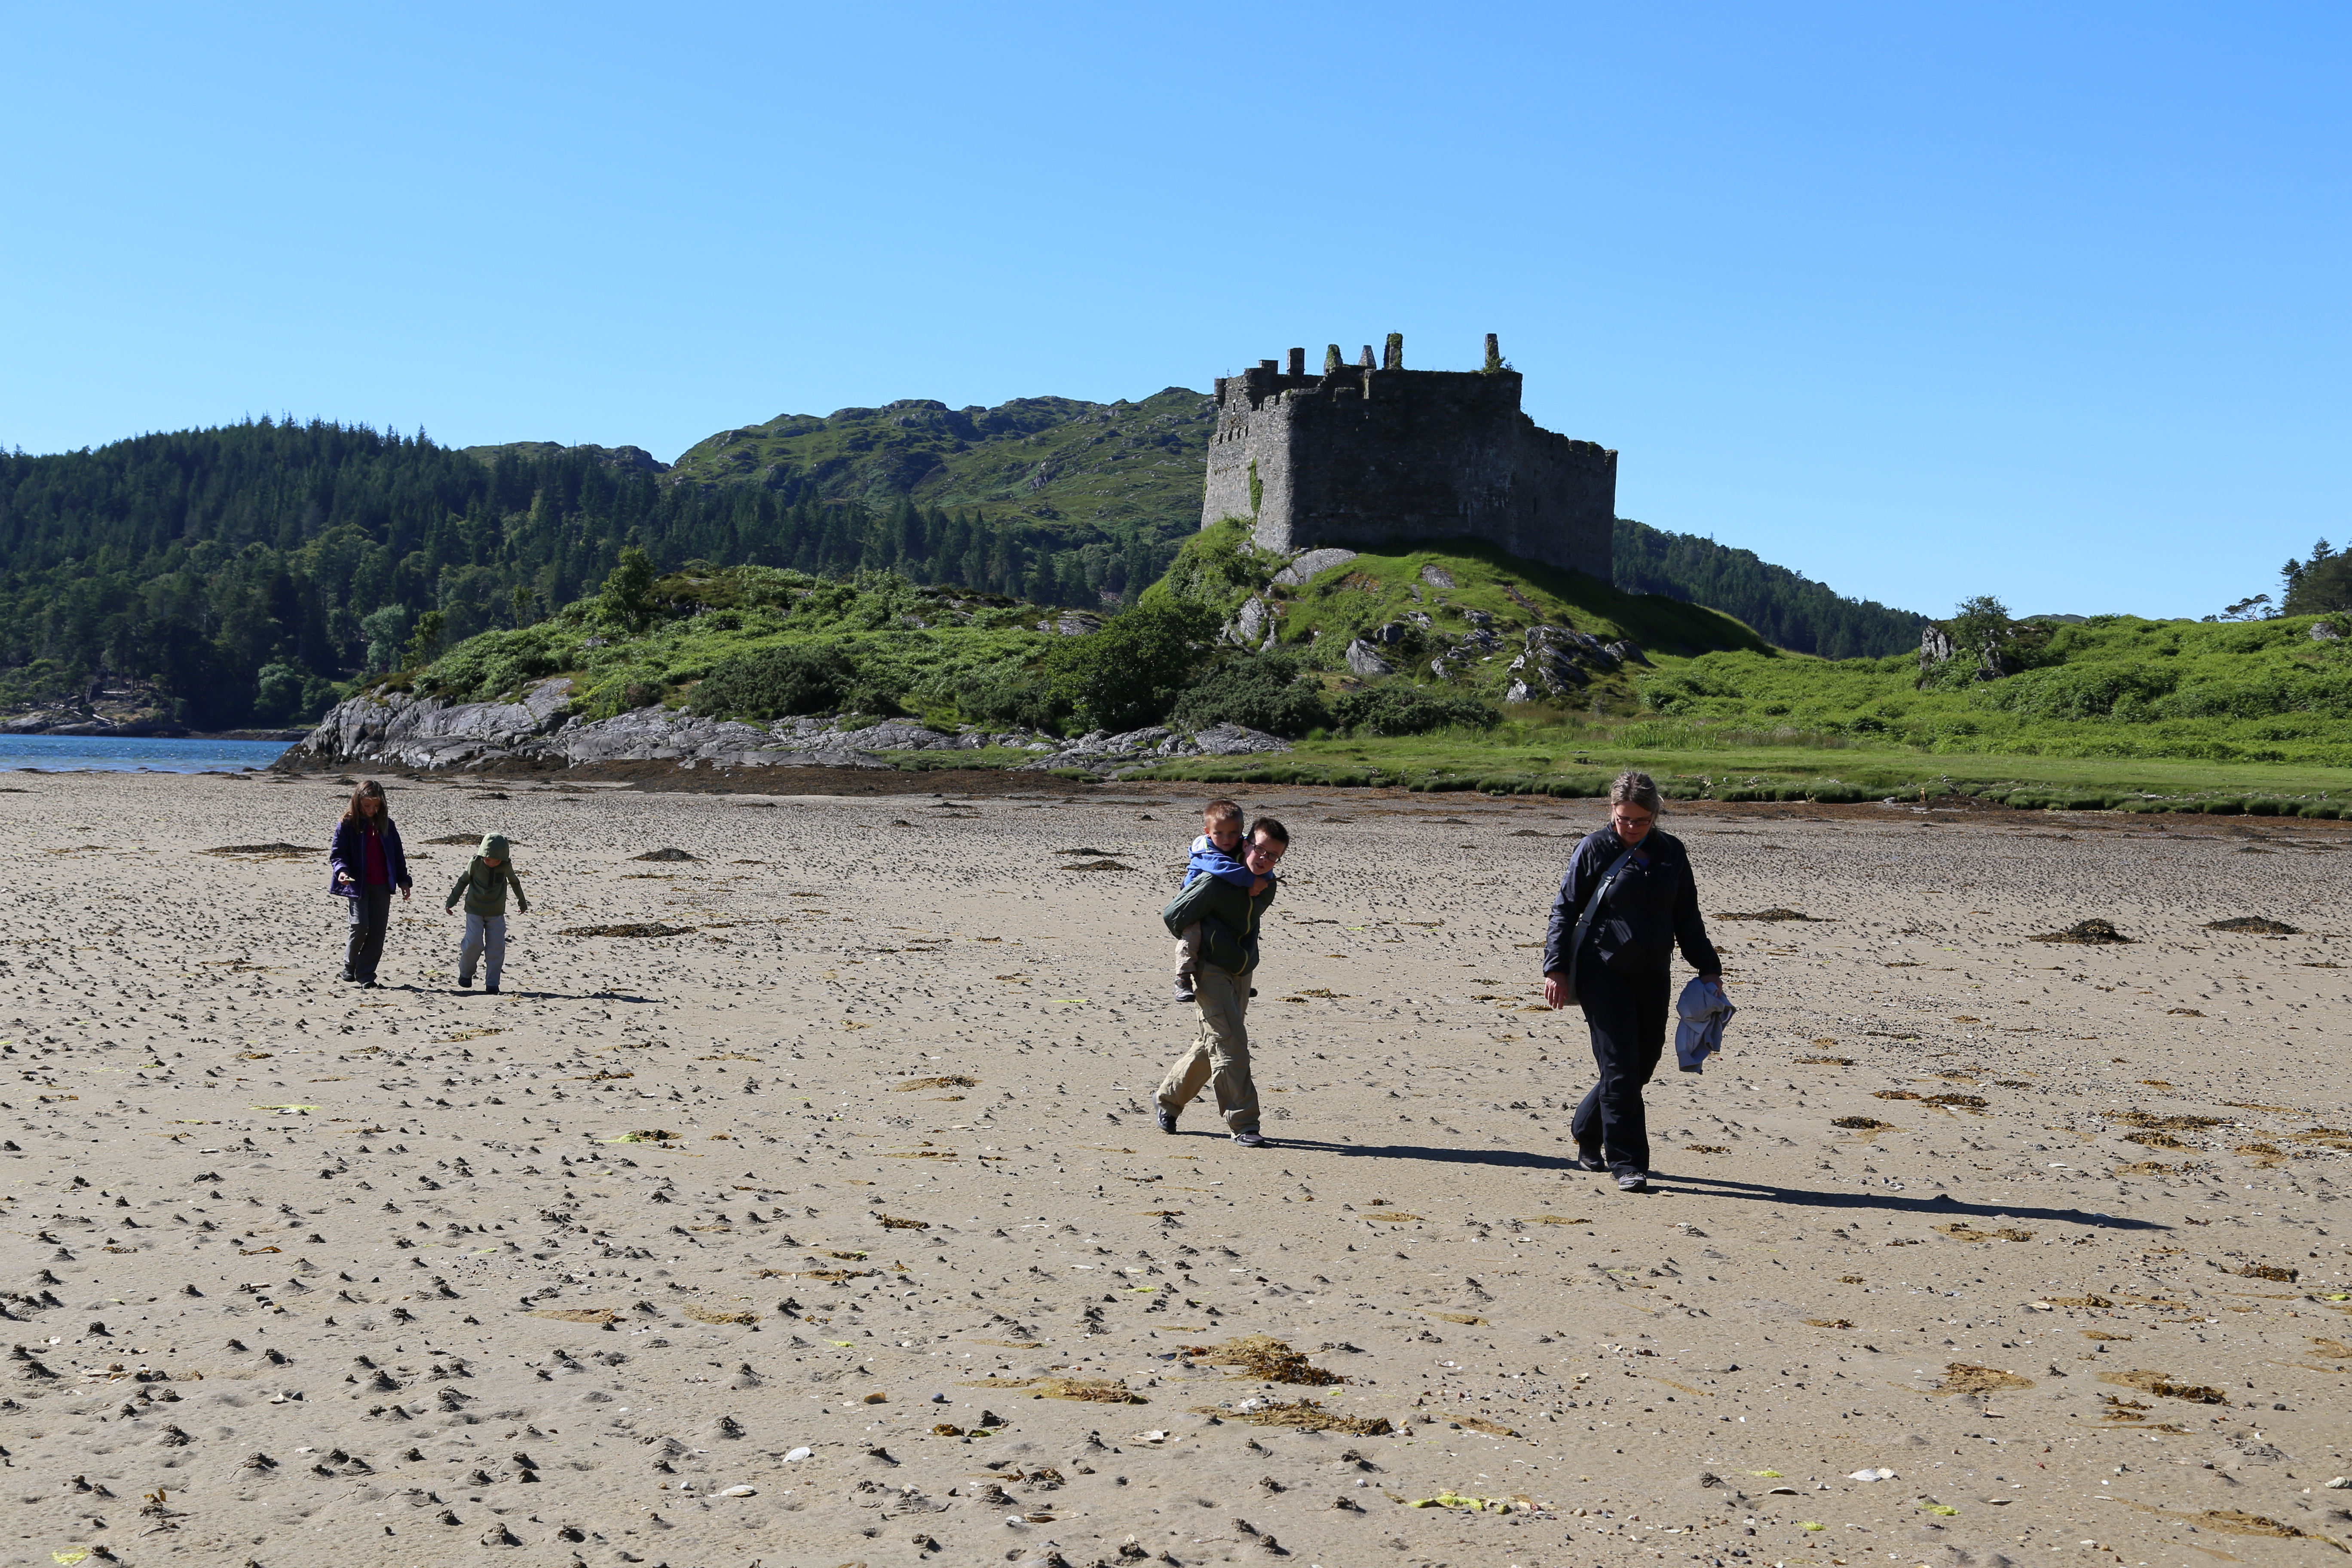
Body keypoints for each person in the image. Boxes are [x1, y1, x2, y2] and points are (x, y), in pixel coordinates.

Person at [1541, 770, 1722, 1193]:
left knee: (1642, 1065)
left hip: (1654, 973)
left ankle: (1586, 1127)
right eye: (1624, 819)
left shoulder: (1672, 853)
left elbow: (1686, 916)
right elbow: (1565, 910)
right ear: (1612, 811)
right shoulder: (1594, 849)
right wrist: (1556, 969)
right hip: (1602, 971)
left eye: (1641, 821)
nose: (1631, 828)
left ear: (1656, 815)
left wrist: (1708, 967)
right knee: (1620, 1068)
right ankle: (1628, 1164)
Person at [1153, 817, 1288, 1147]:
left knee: (1214, 1040)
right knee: (1231, 1045)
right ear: (1246, 844)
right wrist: (1206, 942)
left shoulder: (1266, 886)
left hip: (1241, 970)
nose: (1263, 859)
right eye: (1259, 849)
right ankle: (1244, 1124)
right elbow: (1174, 915)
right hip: (1210, 968)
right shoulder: (1214, 882)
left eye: (1273, 856)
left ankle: (1168, 1100)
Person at [1173, 799, 1269, 1001]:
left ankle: (1236, 979)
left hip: (1220, 903)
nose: (1226, 839)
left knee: (1235, 932)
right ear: (1208, 831)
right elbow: (1222, 868)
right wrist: (1251, 880)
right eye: (1219, 833)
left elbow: (1255, 861)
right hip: (1197, 902)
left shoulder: (1241, 846)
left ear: (1242, 830)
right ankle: (1183, 978)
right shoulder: (1205, 850)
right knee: (1193, 935)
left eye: (1233, 833)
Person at [328, 779, 411, 987]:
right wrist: (342, 872)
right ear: (357, 803)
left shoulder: (388, 825)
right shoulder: (347, 824)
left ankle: (366, 975)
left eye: (376, 805)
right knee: (360, 925)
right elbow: (338, 855)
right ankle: (350, 966)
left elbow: (398, 856)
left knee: (377, 931)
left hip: (382, 885)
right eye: (367, 806)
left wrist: (404, 880)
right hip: (357, 885)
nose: (372, 810)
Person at [444, 833, 529, 994]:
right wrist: (451, 902)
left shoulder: (505, 866)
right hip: (474, 910)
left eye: (495, 860)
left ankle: (492, 983)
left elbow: (515, 882)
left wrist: (522, 903)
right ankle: (466, 974)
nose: (491, 863)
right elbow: (463, 881)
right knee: (473, 943)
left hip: (496, 912)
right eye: (487, 859)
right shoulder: (476, 863)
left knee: (497, 947)